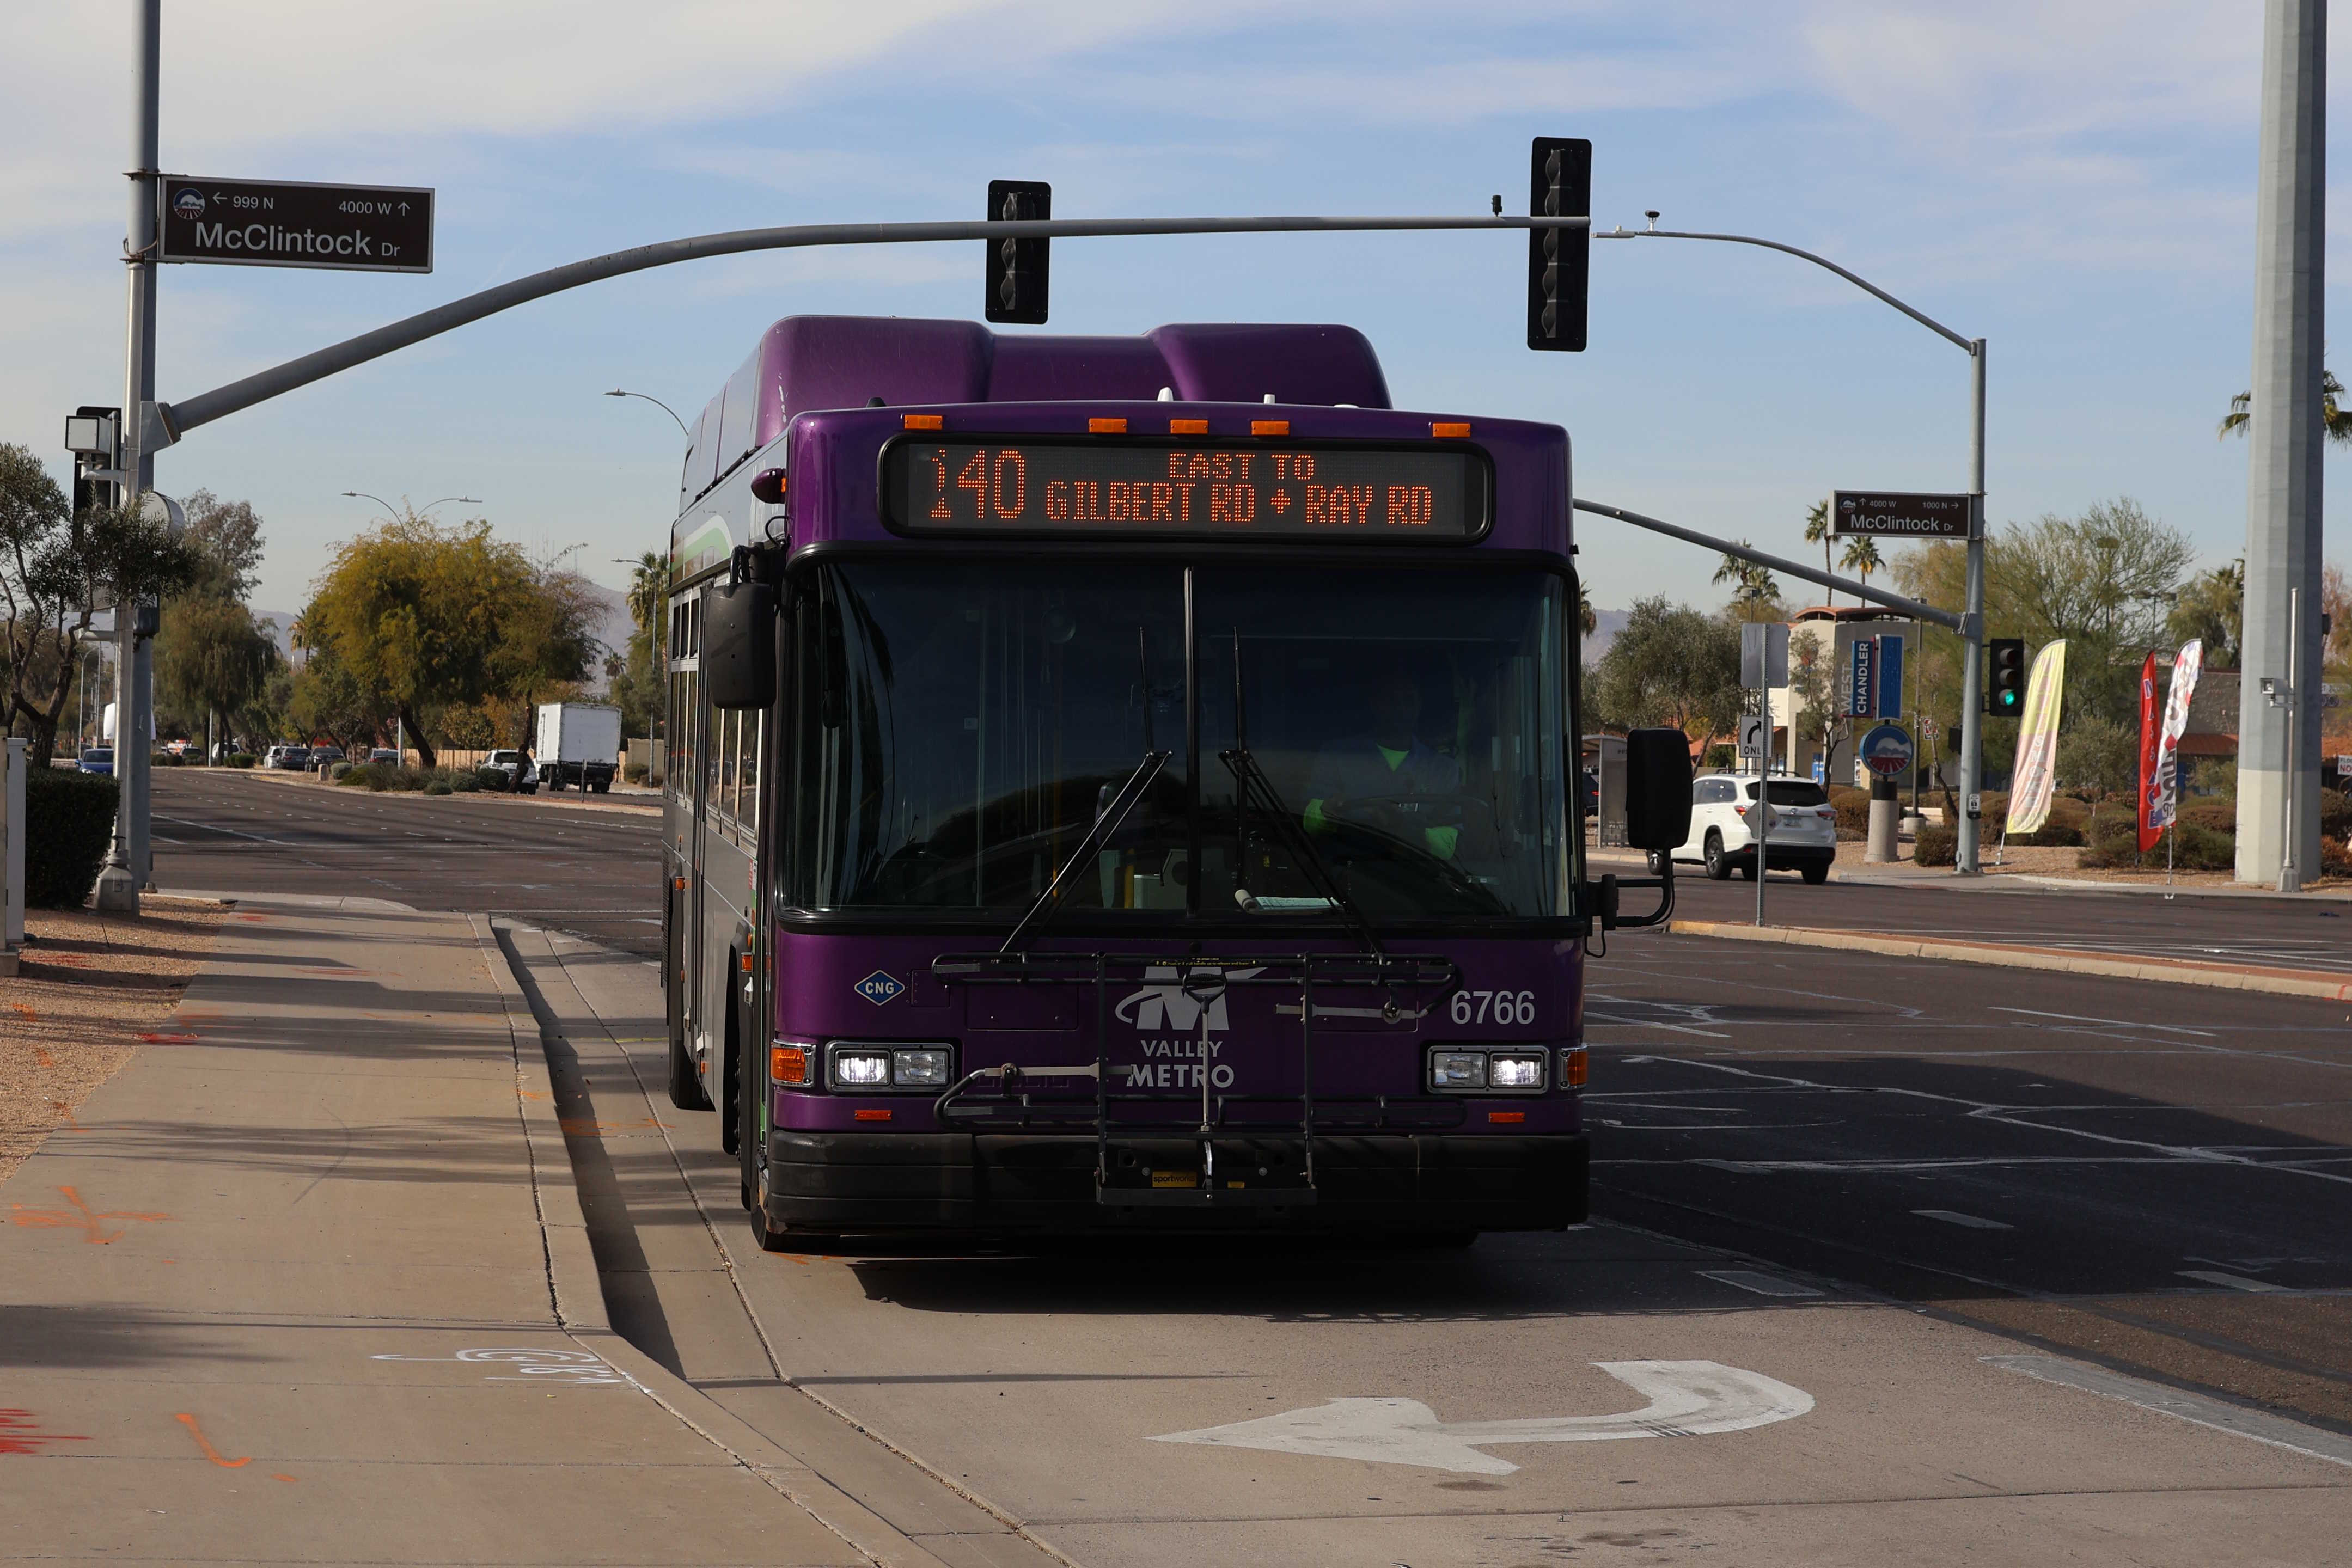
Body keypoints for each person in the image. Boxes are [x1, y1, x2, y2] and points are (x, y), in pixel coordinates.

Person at [1303, 672, 1462, 859]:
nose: (1400, 707)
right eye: (1391, 699)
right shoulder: (1337, 756)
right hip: (1346, 877)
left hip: (1418, 881)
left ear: (1420, 704)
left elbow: (1447, 846)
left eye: (1408, 699)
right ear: (1375, 703)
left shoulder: (1444, 770)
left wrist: (1407, 828)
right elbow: (1308, 822)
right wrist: (1330, 810)